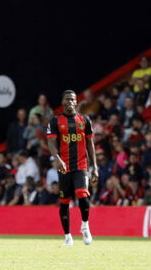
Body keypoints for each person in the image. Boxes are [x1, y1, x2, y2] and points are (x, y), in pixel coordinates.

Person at [45, 90, 98, 246]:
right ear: (63, 102)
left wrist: (94, 166)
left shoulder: (85, 119)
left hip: (81, 164)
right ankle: (68, 236)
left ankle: (85, 225)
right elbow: (51, 143)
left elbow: (90, 144)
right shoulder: (55, 121)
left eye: (73, 99)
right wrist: (58, 159)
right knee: (64, 202)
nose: (70, 102)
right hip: (64, 167)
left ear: (76, 102)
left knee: (82, 194)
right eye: (67, 99)